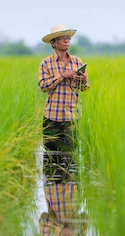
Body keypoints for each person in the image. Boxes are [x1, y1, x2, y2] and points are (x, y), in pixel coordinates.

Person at [38, 25, 89, 173]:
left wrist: (84, 79)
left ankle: (70, 195)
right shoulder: (46, 63)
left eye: (68, 38)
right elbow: (43, 86)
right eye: (62, 38)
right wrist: (63, 76)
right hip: (51, 118)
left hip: (72, 117)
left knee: (70, 159)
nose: (66, 41)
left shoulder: (77, 62)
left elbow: (84, 88)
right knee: (51, 160)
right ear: (53, 43)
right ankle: (53, 194)